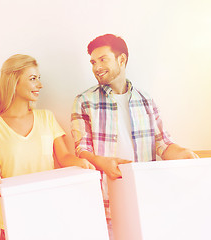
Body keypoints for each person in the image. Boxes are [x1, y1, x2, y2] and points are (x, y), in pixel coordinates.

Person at [71, 34, 199, 239]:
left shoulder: (145, 99)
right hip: (106, 204)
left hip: (145, 200)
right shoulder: (85, 100)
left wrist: (183, 153)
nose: (96, 67)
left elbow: (163, 144)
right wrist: (102, 162)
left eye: (103, 59)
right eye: (93, 62)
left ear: (121, 60)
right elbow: (81, 150)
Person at [0, 54, 95, 240]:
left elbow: (64, 158)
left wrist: (81, 162)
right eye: (33, 79)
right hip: (14, 216)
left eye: (39, 79)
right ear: (13, 81)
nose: (40, 85)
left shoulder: (46, 118)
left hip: (49, 214)